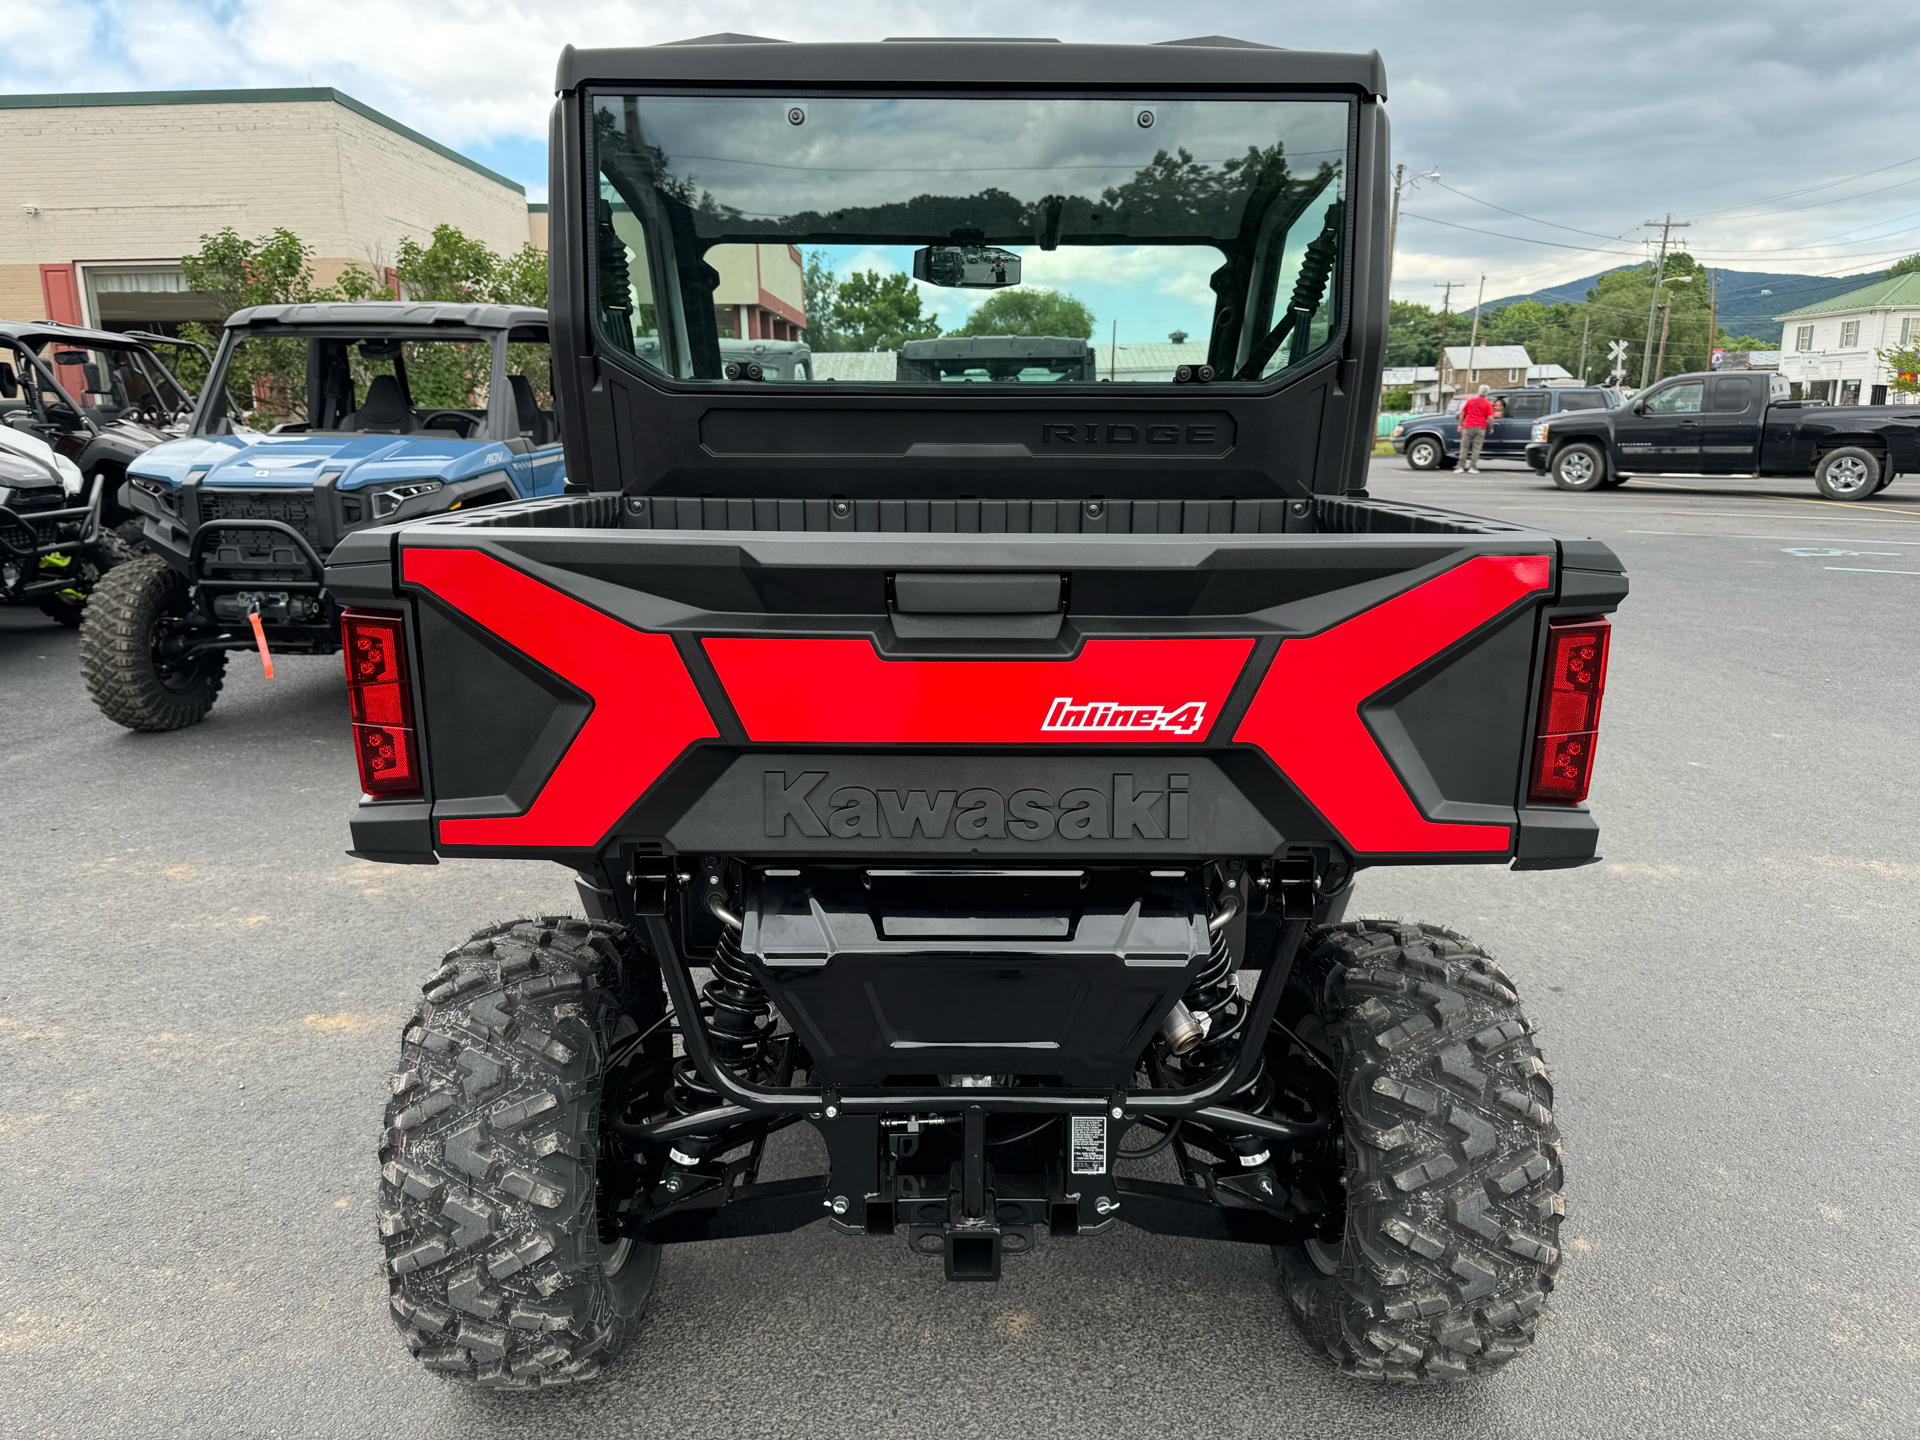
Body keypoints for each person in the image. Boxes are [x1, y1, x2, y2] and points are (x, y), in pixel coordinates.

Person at [1459, 387, 1494, 472]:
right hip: (1480, 427)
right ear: (1487, 393)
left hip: (1468, 426)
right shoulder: (1487, 404)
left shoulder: (1470, 401)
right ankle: (1472, 467)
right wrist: (1491, 428)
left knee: (1464, 447)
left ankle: (1460, 466)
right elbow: (1490, 418)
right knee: (1476, 448)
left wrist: (1460, 425)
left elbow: (1462, 413)